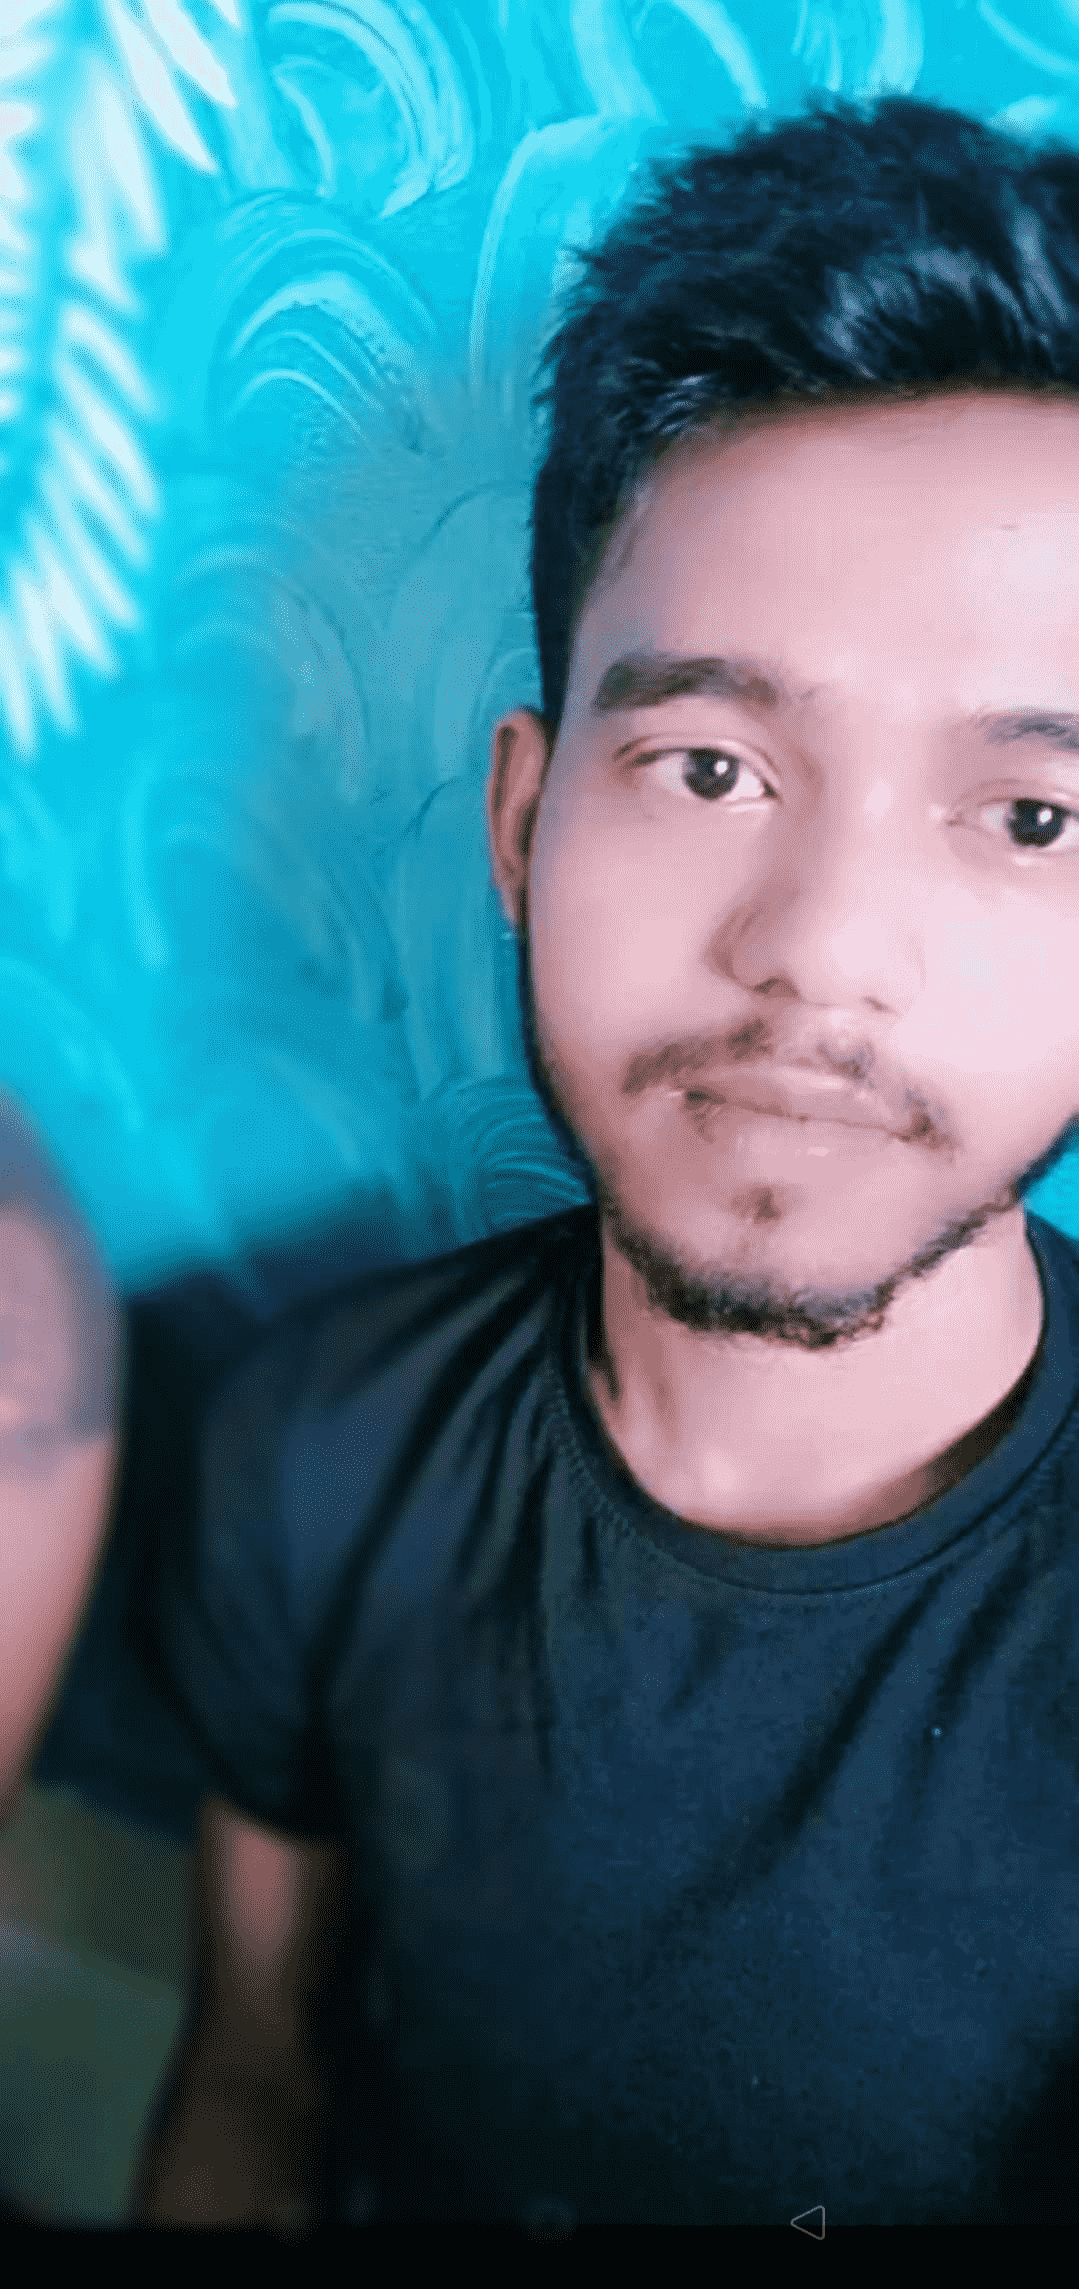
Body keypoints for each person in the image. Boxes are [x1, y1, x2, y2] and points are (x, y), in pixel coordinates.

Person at [76, 91, 1079, 2224]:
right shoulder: (311, 1460)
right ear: (526, 821)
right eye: (709, 767)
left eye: (1026, 818)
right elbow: (253, 2093)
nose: (818, 948)